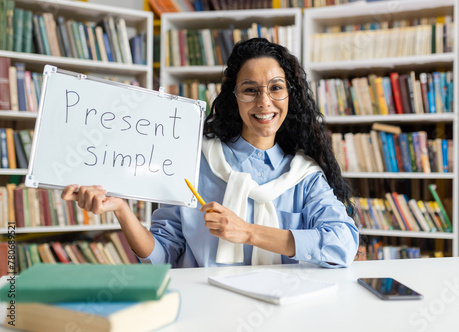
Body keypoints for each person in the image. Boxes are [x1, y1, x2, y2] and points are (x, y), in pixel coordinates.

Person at [62, 38, 359, 268]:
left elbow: (343, 244)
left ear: (289, 95)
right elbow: (161, 257)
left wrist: (248, 232)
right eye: (250, 90)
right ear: (235, 99)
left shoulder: (304, 177)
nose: (264, 102)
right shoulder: (194, 162)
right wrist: (122, 211)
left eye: (276, 88)